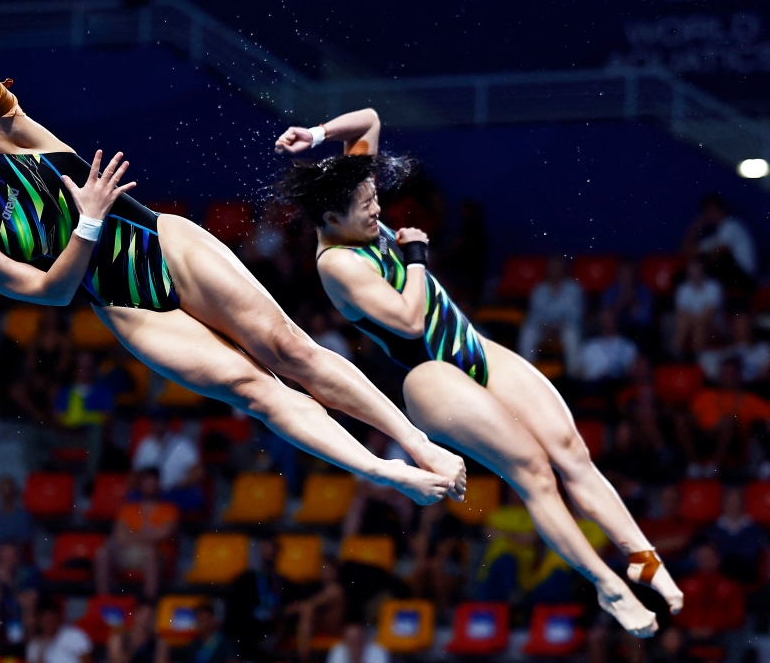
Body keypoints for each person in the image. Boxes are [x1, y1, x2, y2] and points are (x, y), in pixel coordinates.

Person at [0, 48, 465, 507]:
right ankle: (386, 472)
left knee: (289, 351)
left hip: (165, 244)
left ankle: (415, 442)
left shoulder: (4, 135)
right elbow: (53, 290)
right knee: (260, 394)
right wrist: (89, 222)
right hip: (131, 309)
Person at [271, 107, 678, 638]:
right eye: (366, 208)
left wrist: (319, 134)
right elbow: (411, 321)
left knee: (571, 450)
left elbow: (369, 121)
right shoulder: (338, 265)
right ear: (330, 220)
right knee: (533, 471)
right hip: (430, 375)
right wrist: (416, 256)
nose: (376, 211)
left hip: (473, 348)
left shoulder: (349, 198)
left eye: (375, 201)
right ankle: (608, 585)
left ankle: (643, 560)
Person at [94, 468, 178, 600]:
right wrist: (148, 536)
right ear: (141, 485)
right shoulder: (128, 509)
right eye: (146, 483)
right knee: (102, 553)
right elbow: (120, 536)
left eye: (152, 484)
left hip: (156, 556)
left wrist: (133, 534)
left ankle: (149, 603)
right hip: (129, 553)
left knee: (150, 553)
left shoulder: (169, 510)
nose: (149, 487)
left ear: (158, 486)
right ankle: (103, 602)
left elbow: (163, 534)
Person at [224, 536, 296, 661]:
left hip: (275, 636)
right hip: (249, 638)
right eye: (264, 547)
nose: (267, 552)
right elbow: (235, 616)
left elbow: (292, 610)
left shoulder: (286, 584)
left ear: (278, 552)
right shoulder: (244, 581)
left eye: (271, 547)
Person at [131, 416, 204, 513]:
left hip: (176, 490)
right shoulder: (145, 444)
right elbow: (135, 473)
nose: (158, 426)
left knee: (193, 498)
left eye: (161, 422)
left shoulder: (182, 444)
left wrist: (178, 484)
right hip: (152, 492)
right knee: (131, 498)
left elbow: (198, 472)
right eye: (156, 422)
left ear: (167, 424)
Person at [0, 543, 40, 656]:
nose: (7, 561)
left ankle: (29, 657)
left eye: (10, 557)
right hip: (3, 618)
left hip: (22, 616)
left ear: (17, 558)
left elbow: (29, 602)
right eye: (4, 558)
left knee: (30, 618)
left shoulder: (30, 573)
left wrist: (9, 582)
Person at [283, 558, 345, 662]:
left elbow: (311, 603)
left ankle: (303, 658)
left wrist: (291, 609)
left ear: (335, 572)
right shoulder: (322, 588)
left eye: (328, 570)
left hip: (334, 628)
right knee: (306, 612)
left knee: (307, 610)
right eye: (322, 570)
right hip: (323, 625)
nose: (324, 573)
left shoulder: (335, 589)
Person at [672, 259, 723, 358]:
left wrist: (695, 321)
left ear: (703, 269)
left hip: (714, 325)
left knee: (699, 325)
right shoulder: (683, 288)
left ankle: (698, 359)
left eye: (697, 268)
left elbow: (708, 313)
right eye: (691, 268)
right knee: (683, 323)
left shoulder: (713, 286)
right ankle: (675, 357)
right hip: (690, 324)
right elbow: (681, 312)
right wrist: (694, 321)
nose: (694, 271)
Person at [0, 475, 35, 566]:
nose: (6, 494)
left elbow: (26, 546)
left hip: (18, 562)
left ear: (14, 492)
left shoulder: (24, 517)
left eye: (8, 490)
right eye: (3, 490)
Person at [575, 310, 638, 383]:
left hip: (617, 386)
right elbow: (579, 371)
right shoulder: (589, 346)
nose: (606, 322)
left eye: (610, 319)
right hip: (592, 387)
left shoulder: (627, 346)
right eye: (604, 319)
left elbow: (632, 372)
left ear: (616, 320)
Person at [159, 604, 237, 663]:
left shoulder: (225, 643)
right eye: (199, 620)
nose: (201, 624)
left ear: (212, 620)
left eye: (204, 620)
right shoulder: (193, 644)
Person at [26, 597, 92, 663]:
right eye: (47, 621)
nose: (50, 624)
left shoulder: (75, 635)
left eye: (52, 620)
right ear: (39, 621)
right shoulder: (34, 645)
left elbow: (87, 660)